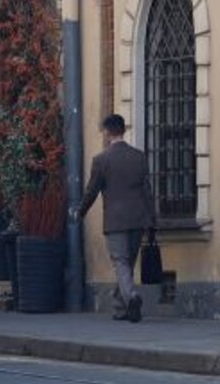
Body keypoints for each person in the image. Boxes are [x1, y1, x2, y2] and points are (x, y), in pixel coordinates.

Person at [77, 113, 158, 322]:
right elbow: (147, 192)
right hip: (138, 219)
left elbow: (91, 191)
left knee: (121, 262)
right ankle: (120, 309)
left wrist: (80, 211)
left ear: (106, 132)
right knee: (127, 264)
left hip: (115, 221)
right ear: (123, 130)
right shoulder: (139, 157)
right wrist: (152, 219)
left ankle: (131, 296)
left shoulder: (101, 160)